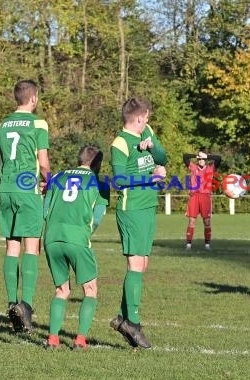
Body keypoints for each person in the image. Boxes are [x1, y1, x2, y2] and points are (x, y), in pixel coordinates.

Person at [109, 97, 167, 349]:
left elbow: (163, 157)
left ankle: (124, 319)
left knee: (142, 264)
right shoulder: (120, 143)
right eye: (147, 119)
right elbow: (119, 180)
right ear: (139, 118)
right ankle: (132, 321)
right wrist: (150, 180)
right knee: (134, 263)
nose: (148, 122)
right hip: (130, 209)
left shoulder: (148, 133)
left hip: (148, 207)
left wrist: (152, 146)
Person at [0, 79, 50, 333]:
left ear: (16, 98)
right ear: (34, 98)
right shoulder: (38, 123)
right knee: (31, 246)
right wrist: (48, 182)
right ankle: (25, 304)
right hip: (27, 189)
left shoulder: (3, 124)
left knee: (11, 246)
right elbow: (44, 161)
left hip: (6, 189)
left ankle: (10, 303)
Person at [42, 145, 109, 350]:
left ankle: (53, 339)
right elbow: (97, 218)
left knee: (61, 290)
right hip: (77, 239)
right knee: (90, 289)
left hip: (52, 238)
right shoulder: (100, 183)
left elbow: (45, 211)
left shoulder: (58, 177)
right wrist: (86, 232)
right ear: (97, 163)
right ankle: (80, 340)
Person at [183, 149, 221, 250]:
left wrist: (206, 156)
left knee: (207, 221)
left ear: (206, 160)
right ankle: (188, 244)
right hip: (194, 196)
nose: (201, 160)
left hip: (206, 197)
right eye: (199, 159)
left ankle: (207, 245)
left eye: (203, 159)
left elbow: (218, 158)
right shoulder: (193, 167)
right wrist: (197, 155)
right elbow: (185, 156)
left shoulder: (210, 168)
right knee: (191, 221)